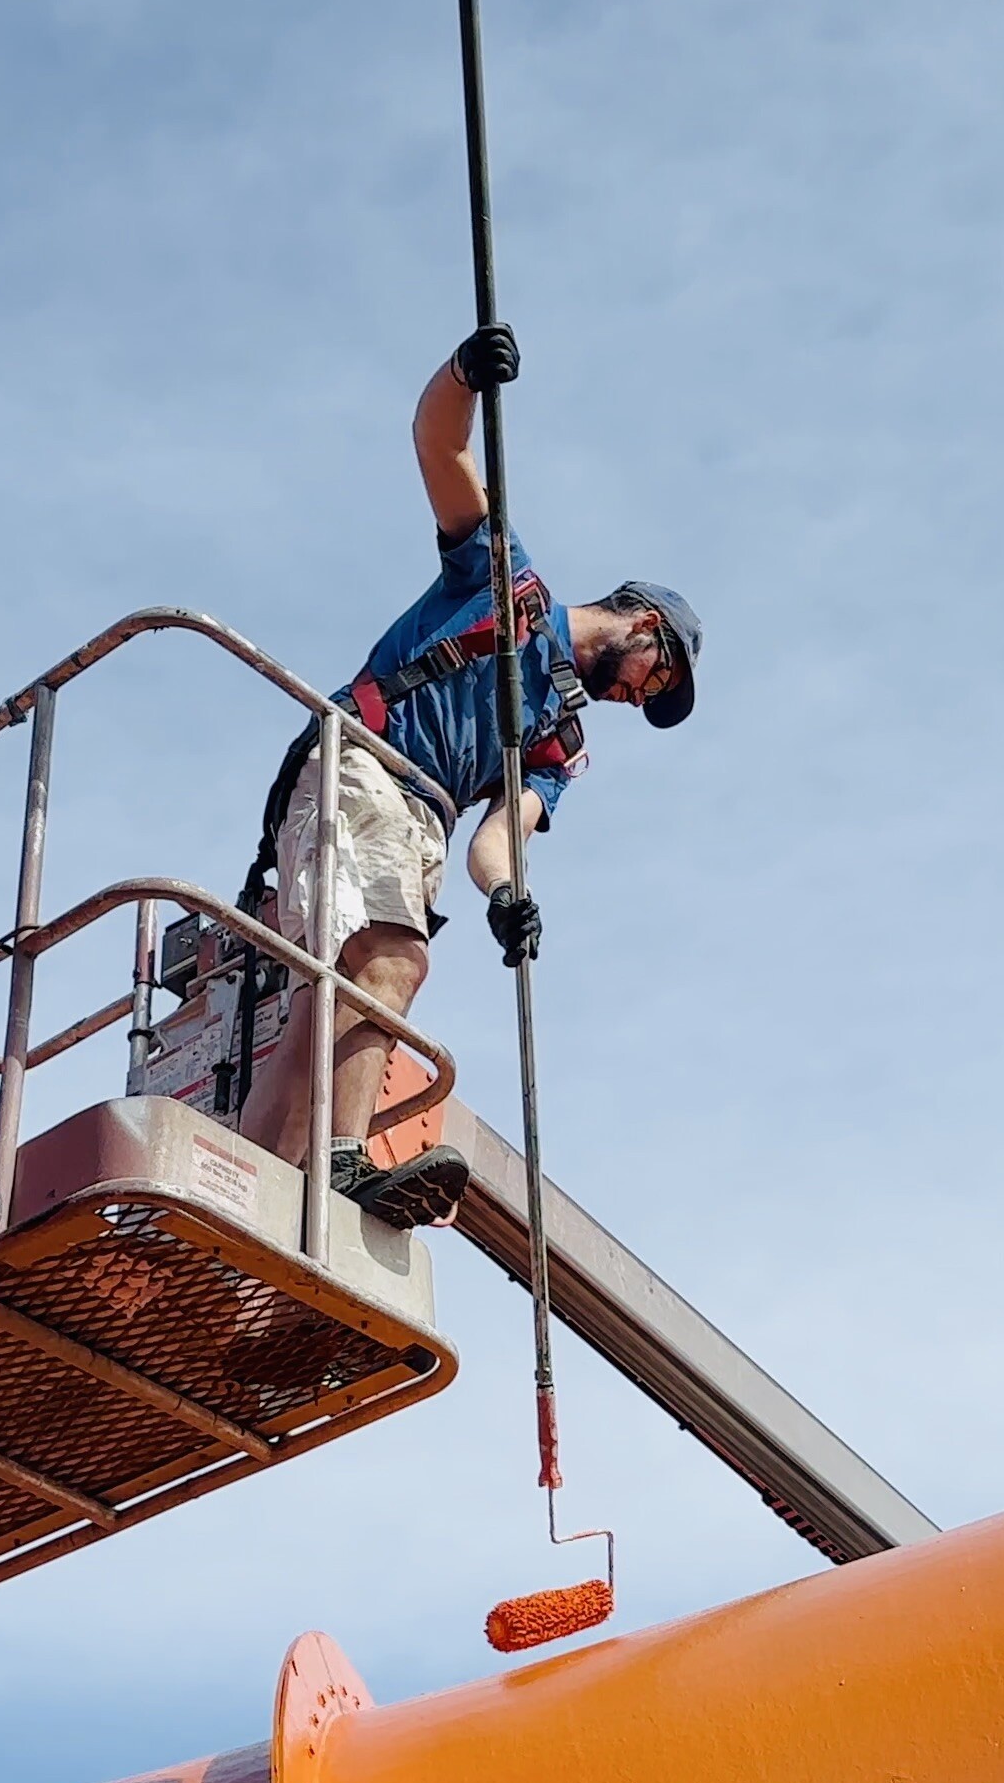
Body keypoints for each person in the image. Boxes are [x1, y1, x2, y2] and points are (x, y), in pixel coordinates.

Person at [237, 323, 700, 1228]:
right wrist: (464, 375)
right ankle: (339, 1163)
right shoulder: (503, 580)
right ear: (643, 625)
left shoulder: (560, 740)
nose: (642, 699)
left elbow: (499, 838)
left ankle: (249, 1181)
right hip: (368, 764)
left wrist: (502, 898)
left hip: (427, 819)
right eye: (661, 677)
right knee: (393, 961)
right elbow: (439, 440)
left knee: (331, 994)